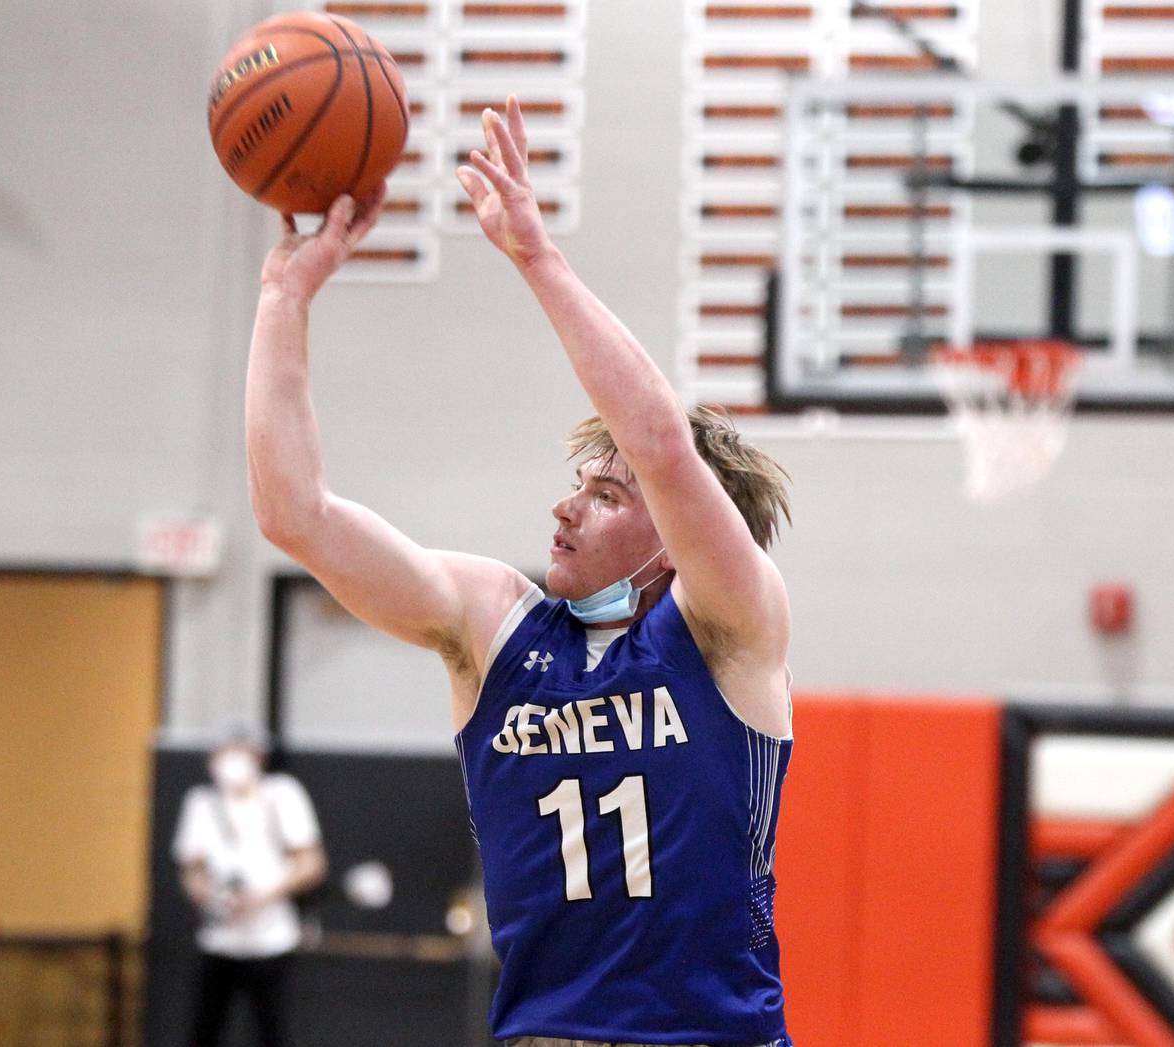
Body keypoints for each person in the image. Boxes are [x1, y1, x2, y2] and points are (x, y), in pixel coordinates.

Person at [246, 96, 795, 1046]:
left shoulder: (731, 631)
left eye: (605, 495)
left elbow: (662, 443)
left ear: (673, 538)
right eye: (575, 485)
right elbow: (295, 513)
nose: (565, 507)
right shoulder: (495, 627)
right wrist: (282, 302)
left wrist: (536, 257)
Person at [172, 726, 325, 1047]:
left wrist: (259, 898)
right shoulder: (201, 803)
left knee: (270, 1031)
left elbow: (311, 864)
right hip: (220, 939)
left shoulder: (282, 794)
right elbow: (191, 870)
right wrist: (212, 898)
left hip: (271, 939)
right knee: (204, 1030)